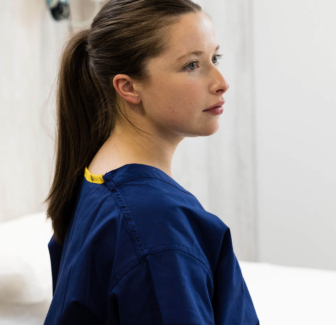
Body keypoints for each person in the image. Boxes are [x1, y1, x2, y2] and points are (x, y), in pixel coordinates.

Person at [42, 0, 259, 324]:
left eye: (215, 58)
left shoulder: (95, 177)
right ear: (128, 87)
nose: (221, 82)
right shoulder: (155, 224)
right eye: (191, 65)